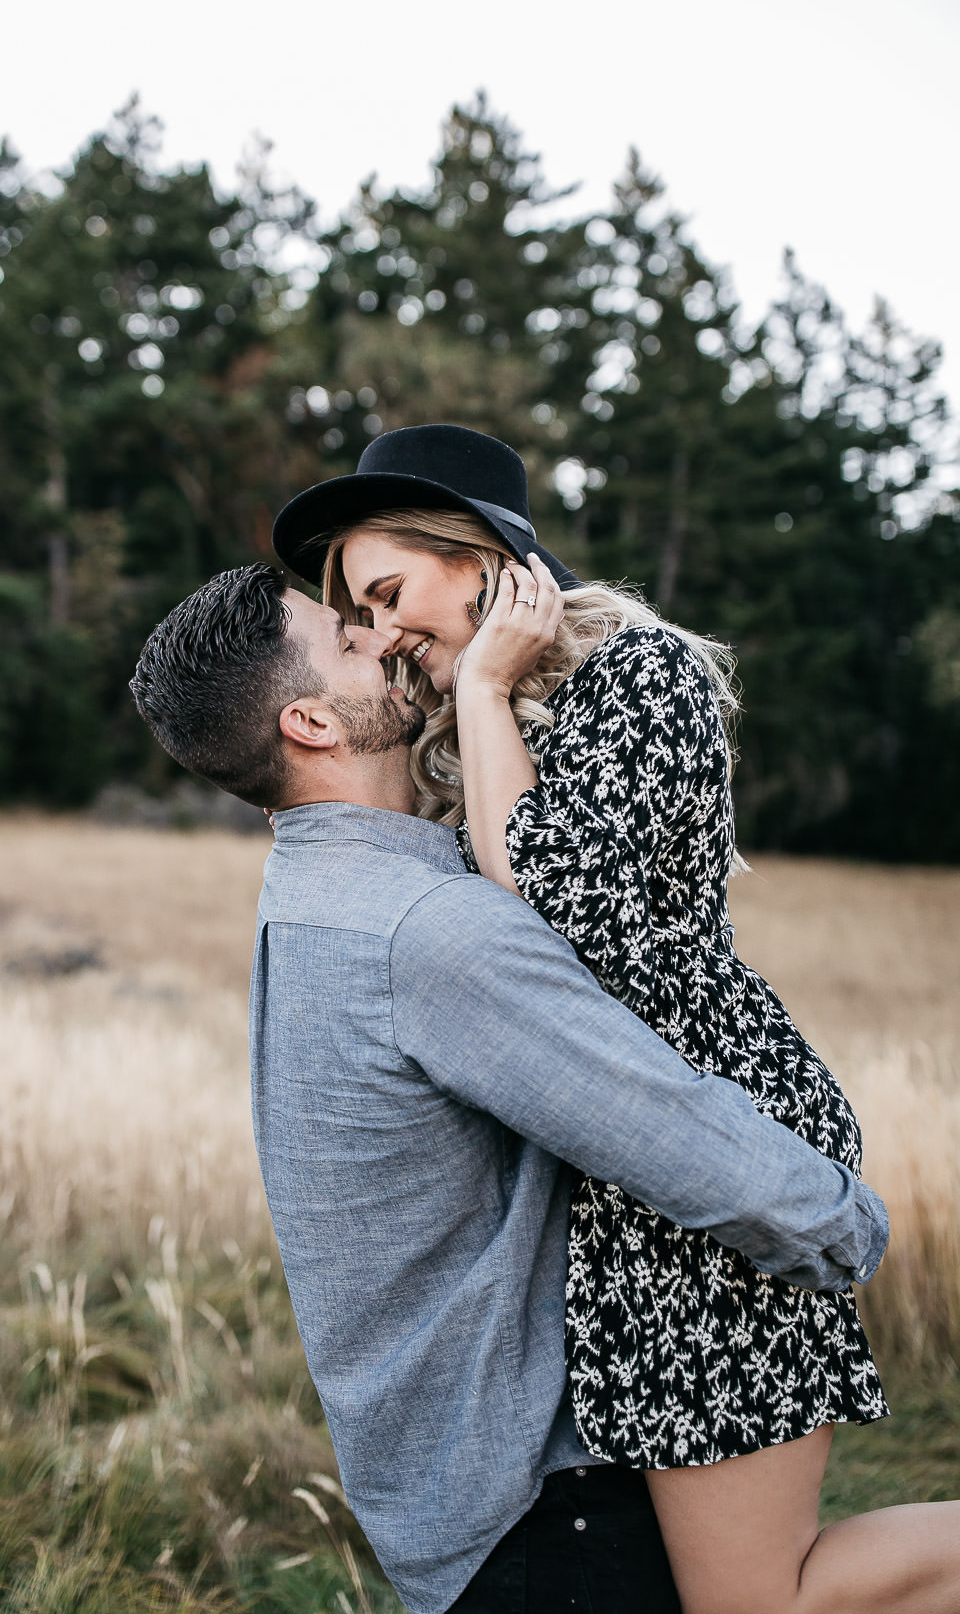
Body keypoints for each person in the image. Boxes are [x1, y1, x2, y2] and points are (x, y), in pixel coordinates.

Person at [272, 422, 960, 1614]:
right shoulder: (475, 721)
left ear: (480, 553)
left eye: (389, 594)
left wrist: (482, 684)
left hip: (708, 1130)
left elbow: (550, 910)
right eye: (359, 620)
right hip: (623, 1180)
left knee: (760, 1602)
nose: (383, 637)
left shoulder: (641, 677)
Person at [130, 560, 892, 1614]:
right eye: (352, 641)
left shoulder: (311, 893)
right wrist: (848, 1225)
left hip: (443, 1508)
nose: (385, 639)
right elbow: (660, 1122)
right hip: (540, 1516)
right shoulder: (425, 931)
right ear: (309, 721)